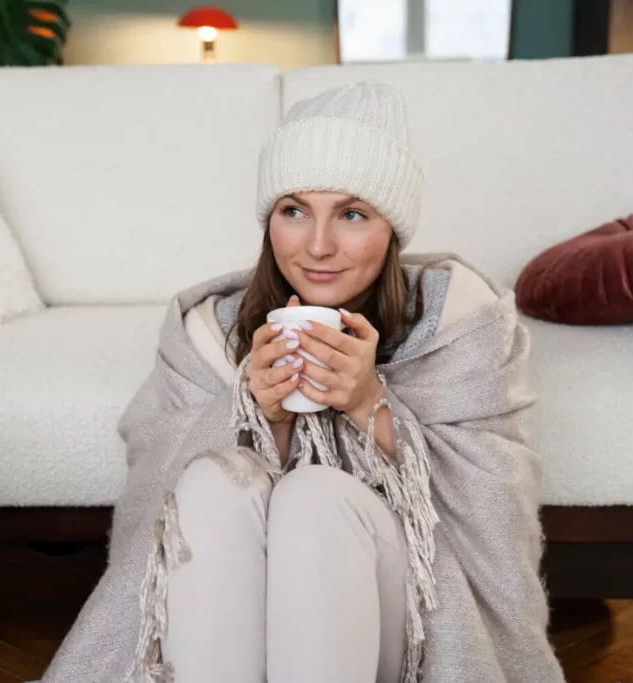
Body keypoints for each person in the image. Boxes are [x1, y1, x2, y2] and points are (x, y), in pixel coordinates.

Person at [41, 83, 566, 683]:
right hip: (227, 623)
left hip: (408, 616)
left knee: (316, 497)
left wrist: (372, 404)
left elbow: (495, 523)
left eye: (352, 213)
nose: (318, 246)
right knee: (212, 481)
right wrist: (257, 416)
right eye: (294, 211)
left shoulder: (457, 321)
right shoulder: (207, 331)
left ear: (391, 228)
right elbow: (153, 512)